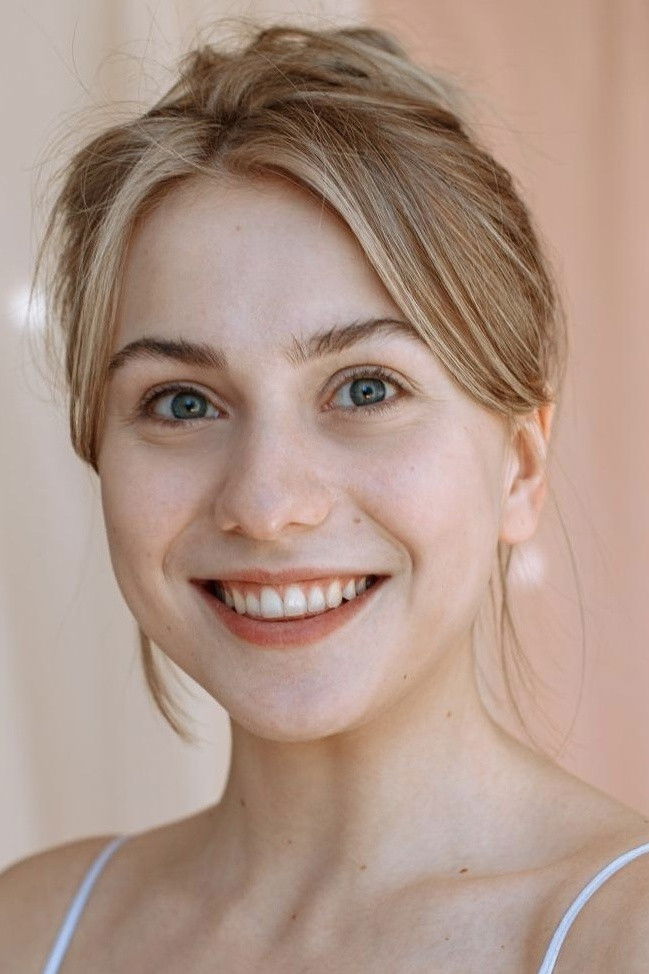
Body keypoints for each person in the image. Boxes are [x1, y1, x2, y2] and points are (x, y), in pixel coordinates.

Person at [1, 22, 648, 973]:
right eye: (182, 402)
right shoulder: (27, 930)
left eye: (366, 389)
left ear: (518, 464)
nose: (266, 506)